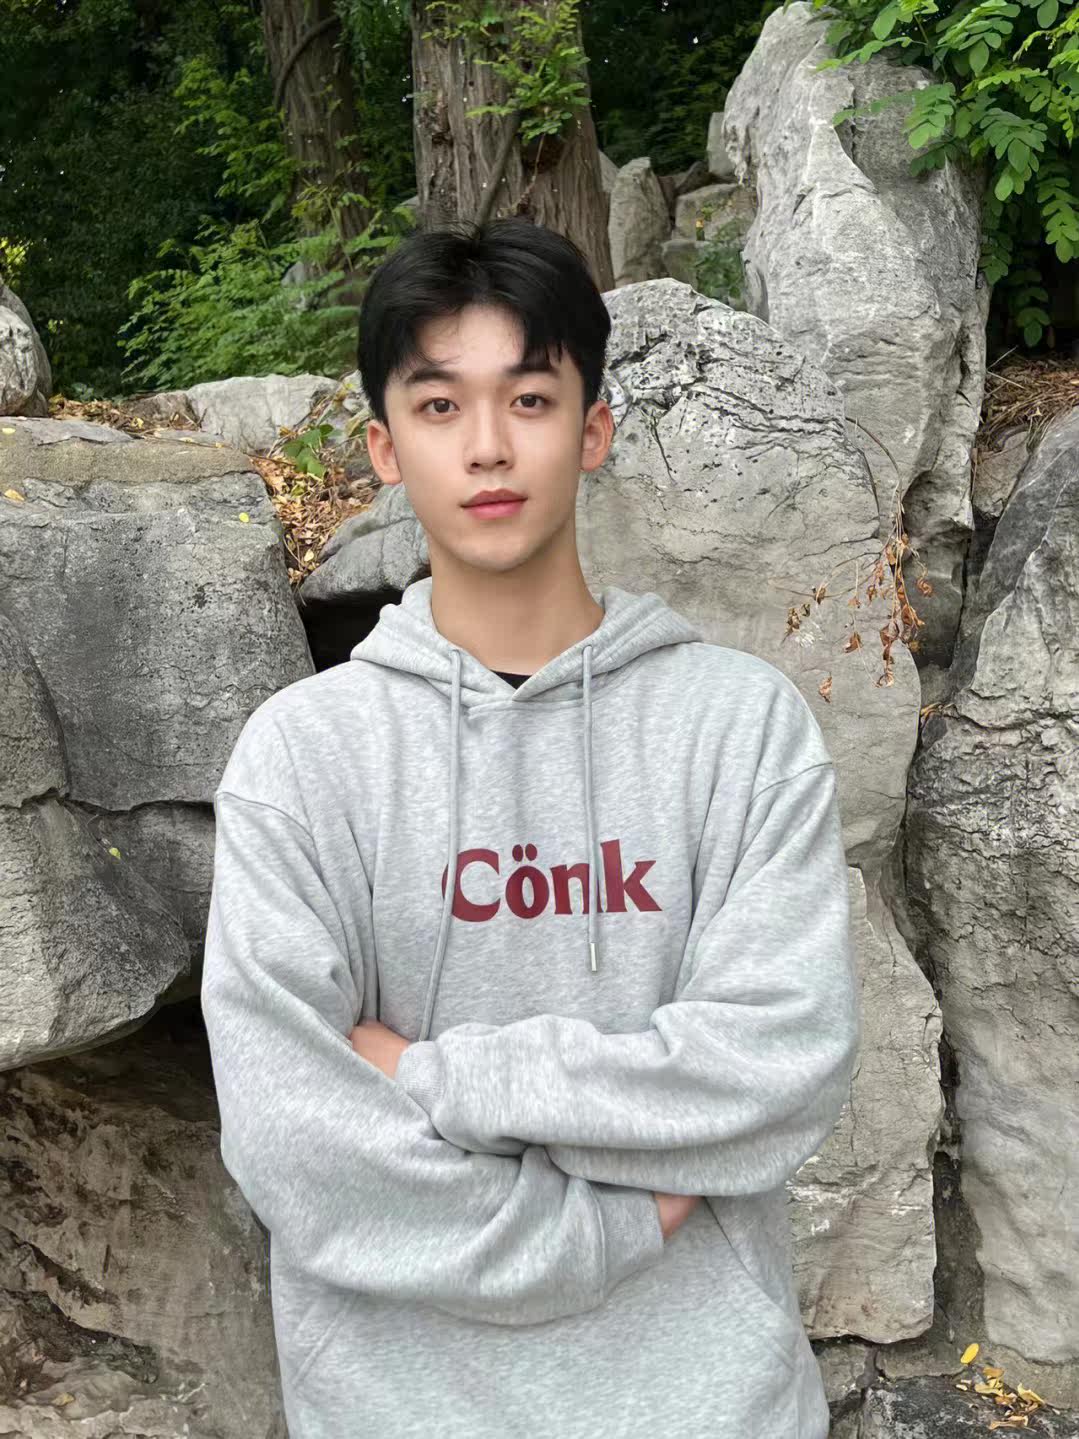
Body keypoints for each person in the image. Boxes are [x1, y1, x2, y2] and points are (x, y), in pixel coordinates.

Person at [200, 216, 861, 1439]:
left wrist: (427, 1072)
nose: (488, 446)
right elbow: (295, 1140)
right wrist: (614, 1215)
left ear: (593, 429)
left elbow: (780, 1063)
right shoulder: (301, 758)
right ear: (383, 447)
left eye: (530, 398)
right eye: (438, 405)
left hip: (710, 1406)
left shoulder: (737, 726)